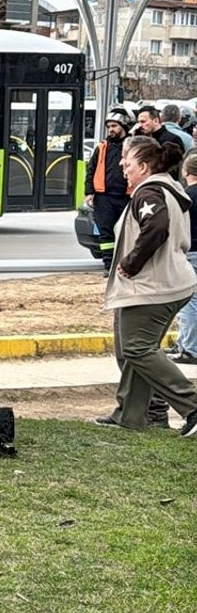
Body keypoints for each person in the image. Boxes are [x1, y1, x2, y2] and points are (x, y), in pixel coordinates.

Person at [96, 135, 197, 437]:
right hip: (167, 283)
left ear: (142, 166)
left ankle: (191, 405)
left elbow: (156, 227)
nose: (122, 167)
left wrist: (131, 263)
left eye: (126, 163)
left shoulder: (149, 192)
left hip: (153, 286)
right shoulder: (167, 188)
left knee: (137, 348)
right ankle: (129, 414)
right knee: (136, 349)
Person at [84, 109, 134, 274]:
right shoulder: (102, 147)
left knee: (127, 232)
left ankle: (126, 265)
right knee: (106, 233)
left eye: (114, 126)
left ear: (124, 126)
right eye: (109, 126)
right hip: (104, 197)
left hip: (127, 196)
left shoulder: (133, 145)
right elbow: (91, 170)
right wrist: (89, 192)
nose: (111, 129)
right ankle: (109, 266)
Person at [171, 153, 197, 366]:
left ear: (186, 172)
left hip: (191, 253)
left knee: (189, 301)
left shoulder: (186, 197)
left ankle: (189, 348)